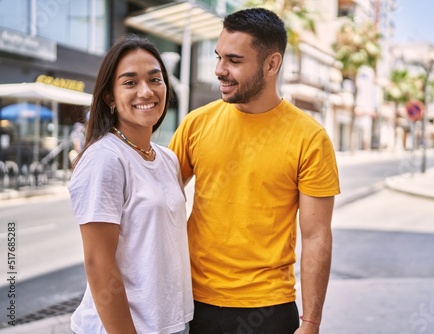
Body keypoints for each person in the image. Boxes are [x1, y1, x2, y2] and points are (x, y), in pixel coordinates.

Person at [169, 7, 340, 334]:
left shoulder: (310, 138)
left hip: (267, 310)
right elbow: (155, 197)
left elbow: (317, 236)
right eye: (219, 57)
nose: (219, 70)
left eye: (234, 61)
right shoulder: (196, 123)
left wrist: (312, 322)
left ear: (271, 64)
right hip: (190, 302)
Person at [68, 34, 193, 334]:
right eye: (130, 82)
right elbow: (98, 262)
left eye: (155, 79)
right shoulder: (105, 159)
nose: (146, 91)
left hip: (171, 324)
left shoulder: (167, 159)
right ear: (110, 97)